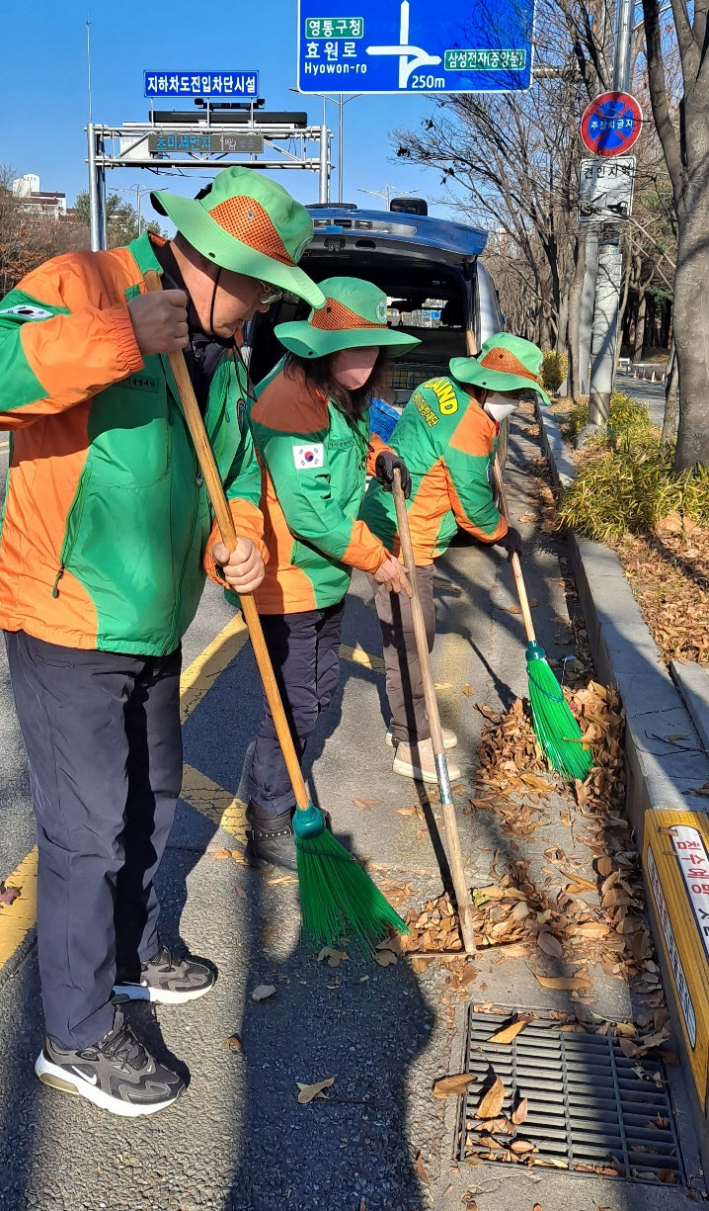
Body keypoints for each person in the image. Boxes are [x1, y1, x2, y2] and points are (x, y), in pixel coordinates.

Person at [0, 166, 325, 1116]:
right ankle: (75, 1030)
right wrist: (119, 336)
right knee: (83, 831)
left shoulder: (221, 354)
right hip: (67, 618)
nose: (262, 308)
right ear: (214, 260)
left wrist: (249, 550)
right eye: (261, 287)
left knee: (153, 796)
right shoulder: (82, 283)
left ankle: (137, 948)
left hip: (158, 623)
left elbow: (234, 482)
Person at [242, 277, 419, 870]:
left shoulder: (327, 397)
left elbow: (348, 439)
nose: (363, 362)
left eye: (372, 350)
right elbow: (310, 510)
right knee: (294, 702)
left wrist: (380, 455)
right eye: (351, 348)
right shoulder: (289, 403)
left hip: (319, 580)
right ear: (318, 346)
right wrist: (379, 558)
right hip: (285, 580)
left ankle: (277, 785)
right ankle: (268, 814)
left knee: (316, 694)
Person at [360, 333, 550, 784]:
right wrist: (507, 534)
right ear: (487, 387)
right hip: (402, 536)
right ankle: (411, 741)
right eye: (514, 394)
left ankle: (415, 723)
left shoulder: (439, 388)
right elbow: (476, 511)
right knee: (412, 639)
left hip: (393, 515)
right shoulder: (469, 427)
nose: (517, 403)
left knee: (417, 633)